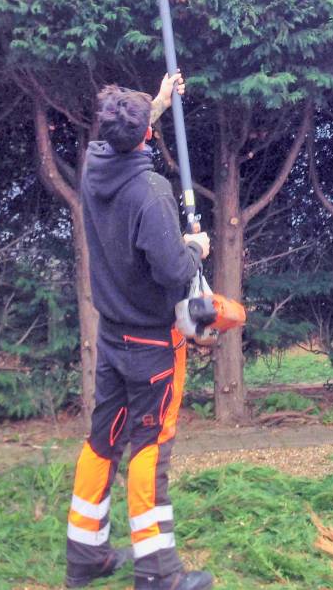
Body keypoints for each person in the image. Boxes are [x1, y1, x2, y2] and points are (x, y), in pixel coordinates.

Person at [64, 73, 214, 590]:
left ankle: (85, 557)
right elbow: (174, 272)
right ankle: (158, 575)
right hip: (151, 343)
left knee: (102, 441)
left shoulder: (93, 167)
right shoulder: (150, 192)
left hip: (111, 337)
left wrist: (157, 101)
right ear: (147, 137)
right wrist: (197, 247)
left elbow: (123, 134)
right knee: (150, 447)